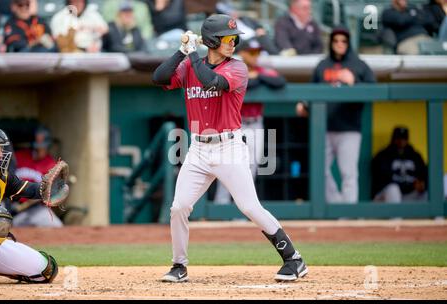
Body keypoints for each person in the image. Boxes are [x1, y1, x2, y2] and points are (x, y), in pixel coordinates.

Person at [152, 14, 308, 282]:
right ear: (212, 40)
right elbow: (159, 77)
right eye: (226, 37)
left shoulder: (237, 68)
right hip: (198, 149)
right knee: (179, 207)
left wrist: (191, 56)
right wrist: (182, 51)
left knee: (249, 206)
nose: (233, 42)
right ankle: (179, 265)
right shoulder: (191, 65)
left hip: (229, 147)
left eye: (234, 37)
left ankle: (294, 259)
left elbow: (211, 81)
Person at [298, 26, 376, 203]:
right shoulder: (323, 65)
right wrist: (304, 105)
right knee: (321, 171)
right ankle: (337, 206)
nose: (340, 44)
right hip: (324, 128)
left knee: (348, 173)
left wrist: (354, 82)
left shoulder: (359, 65)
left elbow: (374, 90)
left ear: (349, 43)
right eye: (336, 41)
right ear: (331, 43)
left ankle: (348, 212)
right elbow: (312, 91)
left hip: (349, 128)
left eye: (343, 41)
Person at [214, 37, 286, 204]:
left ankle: (244, 207)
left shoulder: (261, 70)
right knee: (228, 167)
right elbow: (236, 83)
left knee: (251, 167)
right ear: (243, 53)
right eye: (252, 52)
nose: (256, 56)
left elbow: (279, 81)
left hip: (255, 124)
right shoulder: (234, 68)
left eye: (258, 52)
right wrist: (252, 78)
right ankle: (221, 206)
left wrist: (258, 77)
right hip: (233, 125)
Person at [0, 128, 59, 284]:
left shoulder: (1, 176)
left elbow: (23, 188)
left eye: (0, 149)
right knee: (0, 217)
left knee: (46, 269)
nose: (0, 154)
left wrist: (45, 189)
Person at [12, 126, 63, 227]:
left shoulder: (51, 164)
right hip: (13, 207)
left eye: (43, 147)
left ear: (48, 146)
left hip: (36, 210)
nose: (39, 149)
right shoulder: (18, 156)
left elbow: (49, 194)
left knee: (57, 226)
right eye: (37, 147)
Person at [372, 127, 428, 202]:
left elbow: (423, 175)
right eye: (398, 139)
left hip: (409, 196)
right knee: (393, 189)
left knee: (430, 194)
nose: (401, 141)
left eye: (404, 139)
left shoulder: (415, 156)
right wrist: (407, 185)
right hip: (386, 197)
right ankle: (396, 214)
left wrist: (421, 185)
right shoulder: (383, 155)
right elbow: (380, 180)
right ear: (393, 139)